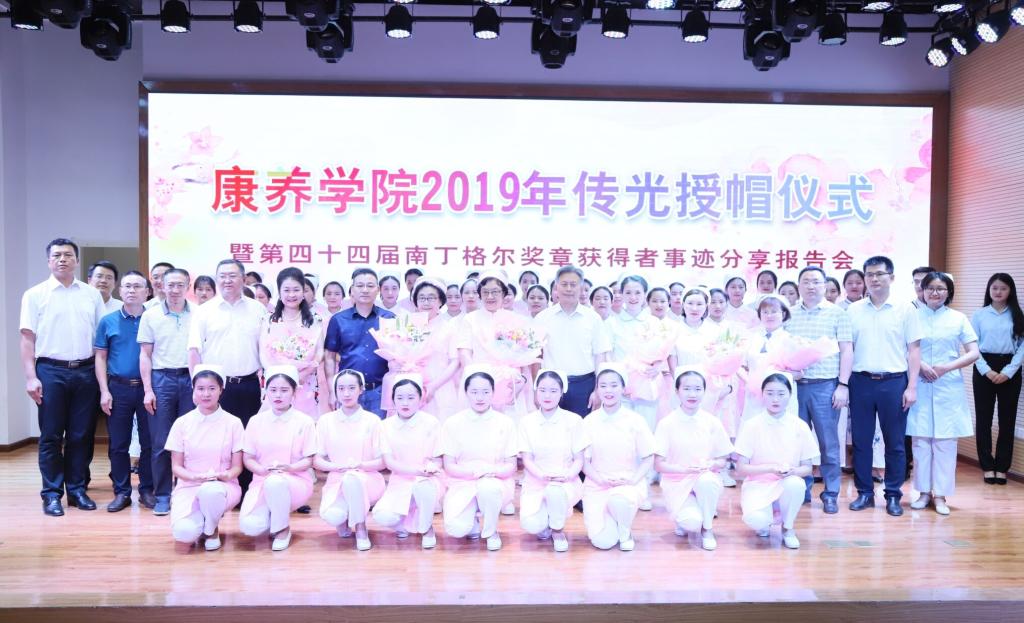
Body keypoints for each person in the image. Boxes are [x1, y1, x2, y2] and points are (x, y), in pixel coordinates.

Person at [20, 238, 106, 516]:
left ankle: (77, 490)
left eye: (68, 255)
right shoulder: (34, 294)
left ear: (77, 261)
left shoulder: (91, 295)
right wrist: (31, 377)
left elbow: (101, 339)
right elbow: (27, 339)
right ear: (48, 261)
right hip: (50, 371)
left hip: (85, 371)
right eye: (56, 255)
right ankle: (52, 494)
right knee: (51, 436)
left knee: (82, 434)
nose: (62, 259)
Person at [847, 256, 922, 517]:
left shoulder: (906, 309)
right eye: (869, 274)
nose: (874, 279)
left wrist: (912, 386)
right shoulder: (854, 310)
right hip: (860, 382)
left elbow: (914, 350)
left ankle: (893, 495)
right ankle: (864, 493)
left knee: (895, 443)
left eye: (880, 274)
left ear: (891, 277)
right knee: (861, 441)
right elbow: (847, 349)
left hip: (894, 382)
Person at [188, 258, 267, 495]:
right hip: (217, 387)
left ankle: (247, 491)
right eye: (222, 276)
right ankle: (219, 489)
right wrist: (197, 388)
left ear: (243, 279)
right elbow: (194, 351)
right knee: (219, 440)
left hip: (250, 384)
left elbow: (265, 348)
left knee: (248, 440)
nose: (227, 280)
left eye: (232, 275)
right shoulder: (204, 311)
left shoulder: (258, 309)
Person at [907, 272, 979, 515]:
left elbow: (974, 352)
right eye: (930, 288)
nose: (935, 293)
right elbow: (903, 347)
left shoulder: (958, 318)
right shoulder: (912, 316)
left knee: (945, 443)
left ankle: (941, 496)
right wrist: (922, 365)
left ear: (949, 292)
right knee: (921, 441)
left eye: (940, 288)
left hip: (948, 384)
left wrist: (946, 367)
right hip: (919, 382)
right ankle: (923, 493)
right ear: (922, 291)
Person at [785, 266, 853, 515]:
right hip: (795, 388)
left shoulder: (838, 314)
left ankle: (831, 493)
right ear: (799, 286)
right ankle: (800, 491)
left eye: (816, 281)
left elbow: (846, 350)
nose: (811, 286)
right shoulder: (789, 313)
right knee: (796, 443)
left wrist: (843, 385)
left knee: (828, 443)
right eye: (806, 281)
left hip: (826, 386)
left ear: (825, 285)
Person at [735, 374, 819, 549]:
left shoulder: (799, 426)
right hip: (758, 484)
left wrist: (793, 472)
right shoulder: (751, 425)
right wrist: (769, 469)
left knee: (796, 484)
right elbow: (741, 468)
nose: (775, 399)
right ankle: (766, 519)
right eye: (770, 393)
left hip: (785, 483)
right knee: (757, 520)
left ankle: (787, 528)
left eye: (781, 394)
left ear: (790, 395)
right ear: (762, 395)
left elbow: (807, 468)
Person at [94, 271, 155, 512]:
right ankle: (121, 492)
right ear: (120, 291)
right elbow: (100, 357)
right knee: (118, 444)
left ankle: (147, 490)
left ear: (147, 292)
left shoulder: (154, 319)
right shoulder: (108, 321)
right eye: (127, 286)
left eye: (137, 286)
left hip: (149, 388)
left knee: (149, 442)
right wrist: (104, 390)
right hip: (118, 388)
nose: (131, 290)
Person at [238, 365, 317, 551]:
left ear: (294, 392)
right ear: (266, 391)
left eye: (284, 390)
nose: (278, 395)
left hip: (296, 481)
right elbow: (248, 458)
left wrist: (290, 468)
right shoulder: (256, 421)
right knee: (250, 526)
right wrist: (260, 470)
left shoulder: (304, 421)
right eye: (273, 390)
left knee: (276, 483)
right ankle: (273, 515)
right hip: (262, 480)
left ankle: (282, 530)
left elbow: (309, 460)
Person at [166, 365, 244, 551]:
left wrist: (225, 476)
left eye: (212, 388)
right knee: (183, 533)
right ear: (193, 390)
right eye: (200, 388)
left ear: (221, 390)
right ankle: (205, 518)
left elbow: (237, 467)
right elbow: (176, 467)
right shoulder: (182, 423)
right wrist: (193, 477)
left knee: (211, 491)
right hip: (189, 485)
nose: (206, 394)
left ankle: (211, 530)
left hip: (223, 486)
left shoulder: (233, 423)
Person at [654, 368, 732, 551]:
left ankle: (707, 529)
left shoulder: (711, 422)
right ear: (677, 391)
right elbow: (658, 464)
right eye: (687, 389)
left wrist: (712, 464)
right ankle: (685, 517)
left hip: (705, 478)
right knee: (690, 522)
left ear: (704, 392)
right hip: (677, 481)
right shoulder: (667, 423)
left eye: (697, 389)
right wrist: (685, 470)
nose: (692, 394)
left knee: (706, 482)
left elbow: (723, 459)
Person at [441, 368, 519, 551]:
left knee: (488, 488)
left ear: (493, 393)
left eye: (485, 392)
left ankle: (491, 531)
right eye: (474, 392)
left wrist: (491, 472)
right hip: (462, 481)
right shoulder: (453, 423)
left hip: (496, 481)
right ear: (466, 393)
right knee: (455, 528)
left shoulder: (505, 423)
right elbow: (449, 466)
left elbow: (511, 466)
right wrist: (474, 473)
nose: (480, 397)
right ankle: (473, 519)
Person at [138, 267, 194, 516]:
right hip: (162, 380)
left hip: (191, 379)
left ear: (187, 286)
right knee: (161, 441)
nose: (175, 289)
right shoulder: (150, 315)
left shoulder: (199, 313)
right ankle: (162, 495)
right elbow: (145, 355)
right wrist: (148, 390)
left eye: (180, 285)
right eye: (170, 284)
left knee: (190, 441)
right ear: (161, 285)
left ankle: (187, 492)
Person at [581, 364, 655, 551]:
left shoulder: (635, 420)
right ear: (597, 389)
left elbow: (648, 457)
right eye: (603, 386)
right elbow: (584, 461)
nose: (608, 390)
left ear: (623, 388)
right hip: (597, 484)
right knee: (602, 542)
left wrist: (633, 480)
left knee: (620, 501)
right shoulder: (589, 421)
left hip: (626, 483)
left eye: (614, 385)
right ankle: (614, 520)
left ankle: (625, 530)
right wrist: (600, 480)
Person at [316, 369, 386, 551]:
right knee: (333, 515)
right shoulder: (325, 421)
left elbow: (382, 462)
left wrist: (361, 466)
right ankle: (344, 518)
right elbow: (317, 460)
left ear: (361, 389)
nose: (346, 393)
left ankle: (361, 528)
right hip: (337, 479)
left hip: (368, 479)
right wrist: (335, 467)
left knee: (352, 478)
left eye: (351, 388)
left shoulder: (373, 421)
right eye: (341, 388)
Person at [372, 375, 445, 549]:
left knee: (423, 486)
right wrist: (416, 471)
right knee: (382, 516)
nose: (405, 403)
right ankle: (405, 526)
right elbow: (389, 462)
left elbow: (438, 459)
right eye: (400, 398)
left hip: (428, 479)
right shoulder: (385, 426)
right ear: (393, 400)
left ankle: (427, 529)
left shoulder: (431, 422)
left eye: (411, 398)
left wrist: (430, 468)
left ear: (420, 399)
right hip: (400, 481)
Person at [519, 370, 587, 553]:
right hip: (536, 481)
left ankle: (557, 530)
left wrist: (567, 476)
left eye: (553, 390)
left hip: (565, 481)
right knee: (532, 525)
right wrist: (541, 475)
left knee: (555, 492)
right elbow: (527, 459)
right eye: (542, 390)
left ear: (562, 392)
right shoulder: (527, 422)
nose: (547, 396)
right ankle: (548, 518)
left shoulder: (574, 421)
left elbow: (579, 459)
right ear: (536, 391)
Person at [535, 266, 612, 418]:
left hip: (584, 386)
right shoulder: (542, 318)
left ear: (581, 287)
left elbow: (600, 356)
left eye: (573, 284)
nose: (569, 289)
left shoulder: (593, 318)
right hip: (551, 385)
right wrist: (536, 388)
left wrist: (598, 389)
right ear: (556, 286)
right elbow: (536, 356)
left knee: (583, 429)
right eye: (564, 284)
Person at [455, 271, 533, 419]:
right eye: (485, 292)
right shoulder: (470, 319)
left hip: (511, 385)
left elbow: (525, 358)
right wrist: (477, 379)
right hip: (479, 386)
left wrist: (521, 380)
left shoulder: (517, 320)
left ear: (504, 293)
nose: (490, 296)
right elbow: (464, 353)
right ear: (480, 294)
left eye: (495, 292)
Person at [971, 273, 1024, 485]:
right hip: (983, 367)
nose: (998, 292)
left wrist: (1008, 372)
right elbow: (972, 346)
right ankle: (987, 466)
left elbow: (1022, 348)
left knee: (1007, 420)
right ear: (989, 290)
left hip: (1010, 368)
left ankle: (1002, 467)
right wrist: (987, 371)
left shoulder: (1018, 314)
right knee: (983, 419)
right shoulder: (979, 315)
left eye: (1003, 288)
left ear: (1010, 291)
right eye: (995, 288)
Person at [324, 267, 396, 418]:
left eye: (370, 286)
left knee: (378, 431)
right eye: (360, 285)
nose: (365, 290)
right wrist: (332, 391)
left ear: (378, 290)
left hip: (380, 391)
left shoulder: (389, 318)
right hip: (348, 391)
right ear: (352, 290)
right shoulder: (338, 320)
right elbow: (329, 357)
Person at [259, 267, 325, 417]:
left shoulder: (314, 320)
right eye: (286, 290)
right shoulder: (268, 320)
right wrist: (278, 377)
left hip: (304, 383)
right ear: (279, 292)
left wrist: (303, 374)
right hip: (276, 385)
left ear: (303, 292)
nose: (291, 294)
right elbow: (263, 353)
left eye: (296, 290)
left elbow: (319, 352)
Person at [409, 278, 459, 418]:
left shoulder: (450, 328)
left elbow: (455, 362)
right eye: (422, 298)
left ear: (440, 301)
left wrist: (433, 386)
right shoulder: (408, 327)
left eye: (431, 298)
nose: (426, 302)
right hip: (412, 387)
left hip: (441, 387)